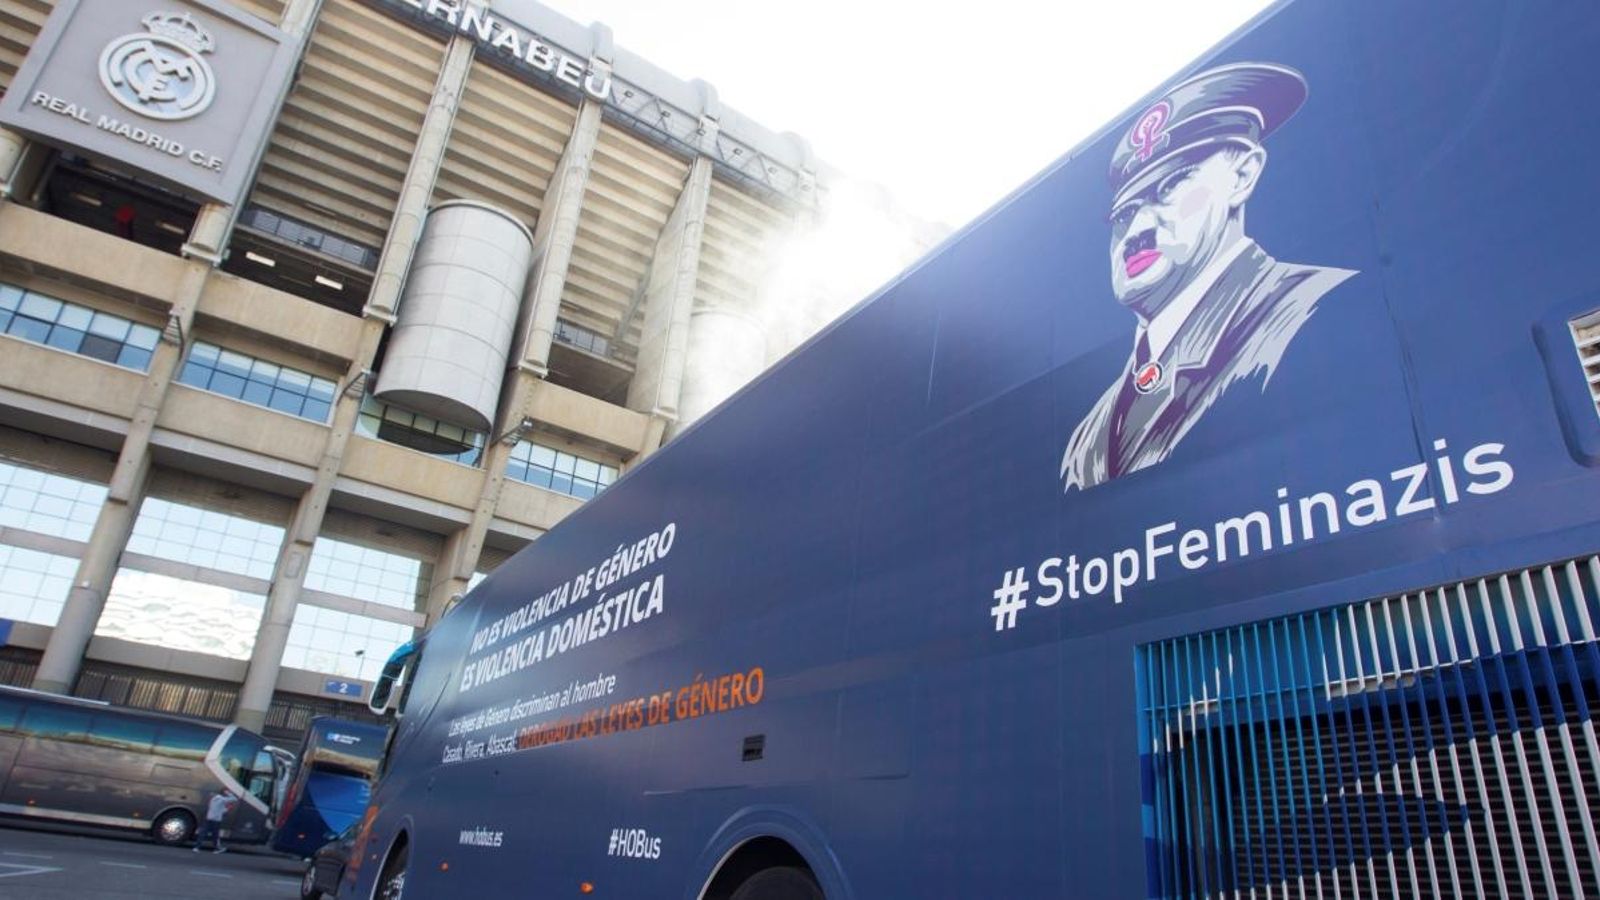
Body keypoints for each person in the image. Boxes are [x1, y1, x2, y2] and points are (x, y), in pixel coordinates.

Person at [1061, 61, 1357, 492]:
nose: (1137, 229)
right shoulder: (1088, 435)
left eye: (1169, 186)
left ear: (1242, 175)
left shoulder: (1319, 314)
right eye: (1124, 214)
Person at [193, 788, 237, 853]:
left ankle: (197, 847)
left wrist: (227, 809)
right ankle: (216, 849)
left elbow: (218, 809)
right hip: (216, 820)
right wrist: (228, 793)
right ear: (224, 792)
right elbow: (234, 799)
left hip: (209, 818)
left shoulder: (213, 799)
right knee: (215, 835)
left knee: (203, 833)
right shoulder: (222, 799)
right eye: (228, 791)